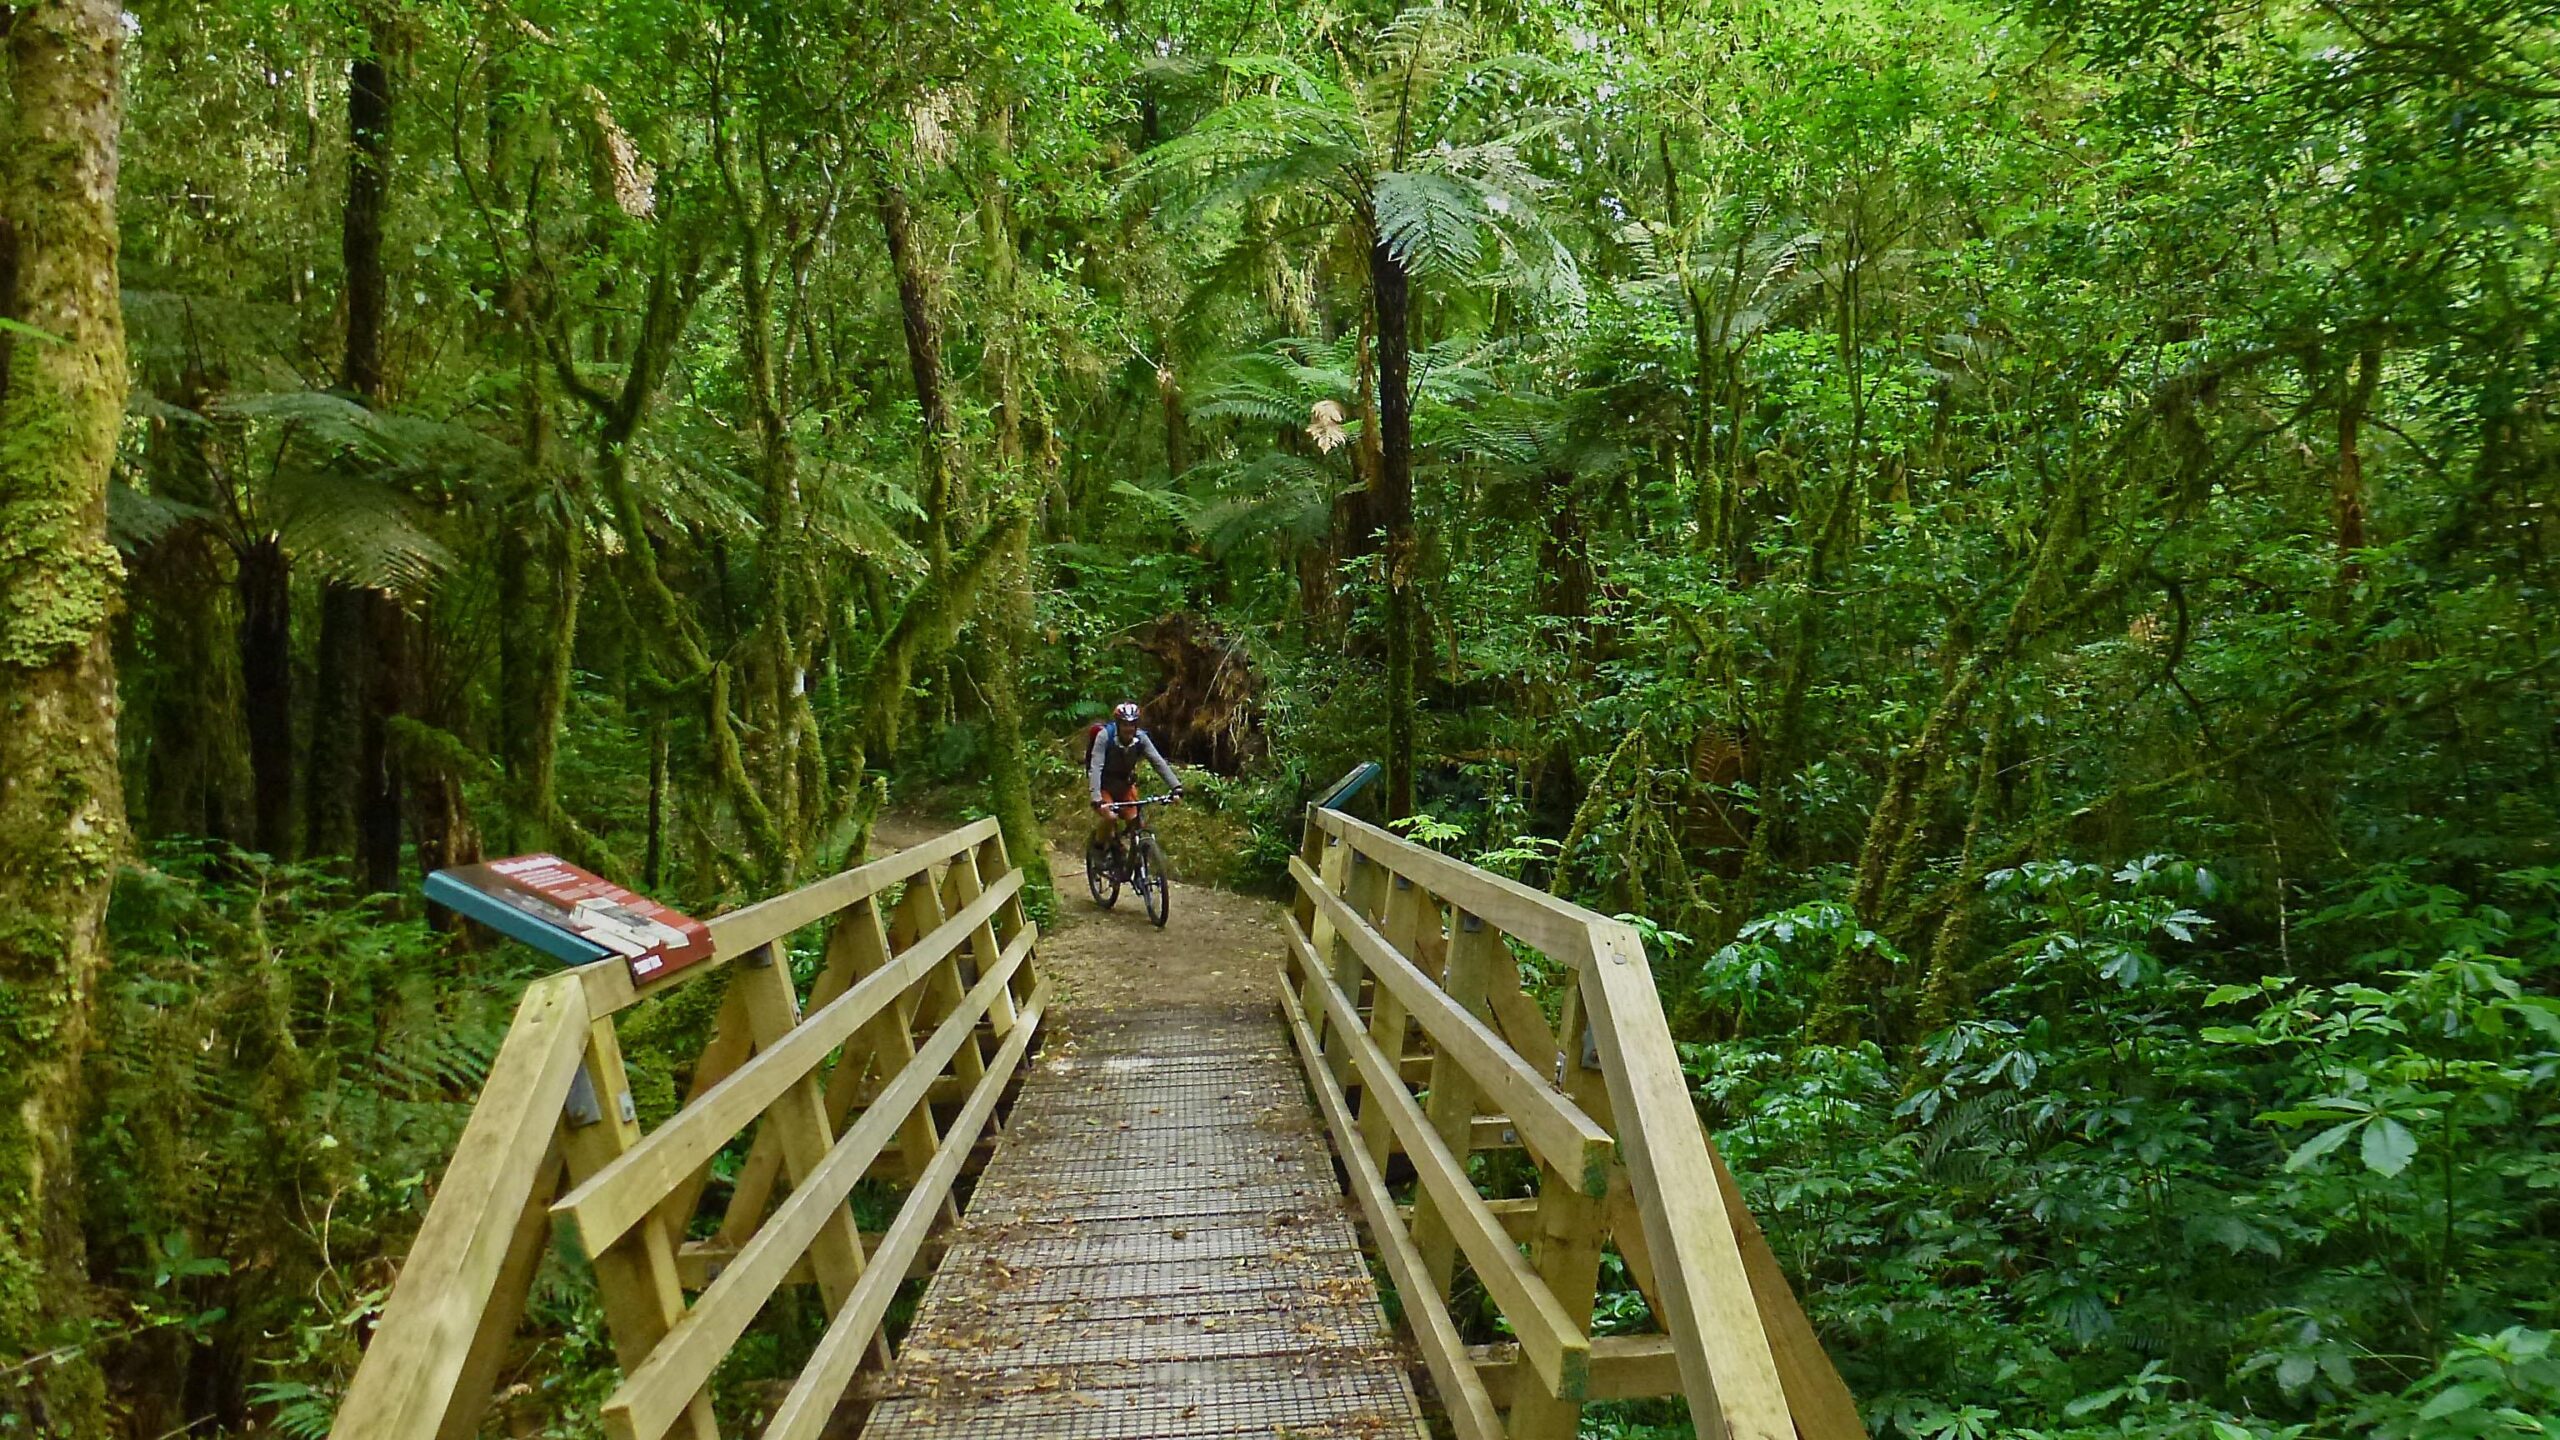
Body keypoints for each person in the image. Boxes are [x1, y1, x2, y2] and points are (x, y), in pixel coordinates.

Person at [1089, 701, 1181, 848]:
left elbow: (1157, 762)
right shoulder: (1105, 736)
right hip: (1104, 785)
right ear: (1118, 724)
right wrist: (1096, 798)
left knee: (1136, 822)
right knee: (1110, 817)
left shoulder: (1141, 739)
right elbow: (1096, 766)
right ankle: (1098, 848)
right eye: (1125, 724)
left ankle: (1135, 858)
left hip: (1125, 785)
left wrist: (1176, 786)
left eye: (1132, 725)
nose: (1129, 729)